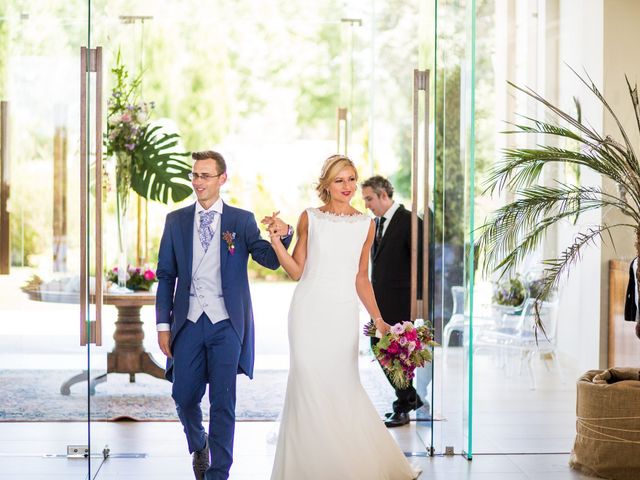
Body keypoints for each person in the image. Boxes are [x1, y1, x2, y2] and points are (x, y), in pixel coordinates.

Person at [266, 155, 420, 479]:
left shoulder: (366, 224)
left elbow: (361, 278)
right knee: (306, 381)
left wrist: (378, 320)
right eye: (340, 180)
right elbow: (296, 270)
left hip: (342, 314)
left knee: (342, 385)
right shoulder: (310, 218)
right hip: (308, 312)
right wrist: (277, 243)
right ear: (326, 184)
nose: (347, 187)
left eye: (351, 179)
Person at [155, 150, 292, 480]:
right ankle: (198, 442)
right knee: (183, 396)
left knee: (223, 402)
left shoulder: (240, 220)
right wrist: (163, 324)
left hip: (226, 324)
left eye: (205, 175)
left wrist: (282, 234)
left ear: (222, 179)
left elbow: (270, 261)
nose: (198, 182)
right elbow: (165, 275)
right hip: (187, 322)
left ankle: (218, 473)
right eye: (195, 175)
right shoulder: (175, 221)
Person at [361, 175, 430, 427]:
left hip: (401, 302)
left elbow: (422, 264)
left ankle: (405, 402)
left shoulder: (410, 221)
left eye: (369, 198)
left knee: (392, 351)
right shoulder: (377, 224)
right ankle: (409, 399)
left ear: (383, 195)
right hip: (379, 303)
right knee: (383, 349)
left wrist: (419, 303)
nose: (367, 204)